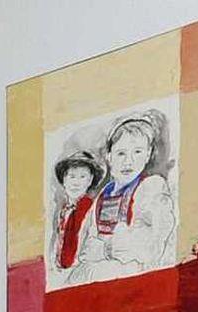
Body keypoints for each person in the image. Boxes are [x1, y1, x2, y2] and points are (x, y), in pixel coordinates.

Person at [67, 111, 176, 285]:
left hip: (133, 275)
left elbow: (152, 243)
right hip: (95, 273)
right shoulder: (103, 195)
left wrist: (106, 248)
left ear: (148, 155)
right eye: (121, 153)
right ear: (109, 157)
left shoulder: (151, 188)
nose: (128, 162)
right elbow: (86, 246)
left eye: (137, 152)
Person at [48, 150, 102, 273]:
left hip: (80, 270)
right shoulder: (64, 210)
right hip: (61, 271)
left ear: (90, 180)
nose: (76, 183)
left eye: (82, 177)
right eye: (72, 176)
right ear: (64, 180)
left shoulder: (91, 208)